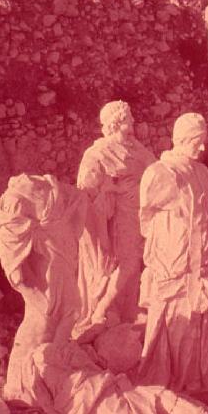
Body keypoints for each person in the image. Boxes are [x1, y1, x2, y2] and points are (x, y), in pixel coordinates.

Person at [137, 113, 208, 396]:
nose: (203, 148)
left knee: (207, 319)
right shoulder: (160, 174)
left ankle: (203, 379)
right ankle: (179, 383)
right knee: (179, 323)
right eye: (197, 141)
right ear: (182, 139)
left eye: (203, 141)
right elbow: (147, 222)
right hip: (177, 266)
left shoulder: (201, 171)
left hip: (204, 263)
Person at [0, 174, 86, 402]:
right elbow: (10, 238)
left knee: (69, 310)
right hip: (42, 259)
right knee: (43, 317)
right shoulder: (17, 201)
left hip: (55, 253)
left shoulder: (60, 194)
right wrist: (24, 283)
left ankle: (46, 372)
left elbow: (79, 200)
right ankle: (21, 384)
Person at [75, 101, 155, 334]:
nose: (132, 123)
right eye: (128, 119)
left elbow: (156, 171)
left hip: (141, 214)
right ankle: (100, 310)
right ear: (115, 123)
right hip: (117, 220)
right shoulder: (98, 154)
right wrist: (112, 190)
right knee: (127, 264)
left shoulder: (135, 148)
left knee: (135, 264)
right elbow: (85, 194)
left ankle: (124, 315)